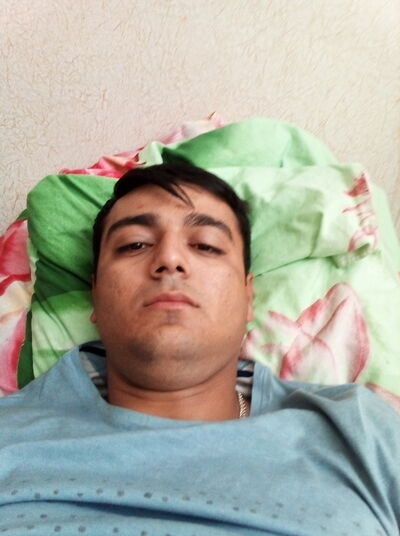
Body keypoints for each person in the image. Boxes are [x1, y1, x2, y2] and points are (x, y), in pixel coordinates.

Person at [0, 162, 399, 535]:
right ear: (96, 294)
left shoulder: (359, 430)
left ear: (248, 296)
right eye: (135, 244)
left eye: (206, 245)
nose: (170, 258)